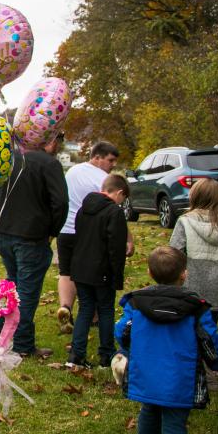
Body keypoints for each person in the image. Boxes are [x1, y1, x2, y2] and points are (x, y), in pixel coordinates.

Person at [114, 246, 218, 434]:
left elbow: (123, 331)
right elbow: (211, 340)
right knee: (175, 429)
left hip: (146, 373)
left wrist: (126, 349)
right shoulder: (196, 309)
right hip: (180, 379)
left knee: (149, 410)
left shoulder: (136, 303)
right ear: (184, 274)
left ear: (149, 272)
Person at [0, 134, 68, 358]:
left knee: (12, 281)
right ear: (48, 139)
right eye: (59, 138)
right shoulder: (49, 164)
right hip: (31, 236)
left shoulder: (7, 158)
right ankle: (22, 344)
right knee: (27, 292)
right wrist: (52, 231)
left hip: (4, 233)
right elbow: (60, 202)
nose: (59, 144)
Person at [55, 141, 132, 334]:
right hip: (89, 233)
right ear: (97, 157)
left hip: (66, 228)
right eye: (110, 160)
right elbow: (115, 212)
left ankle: (66, 307)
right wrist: (128, 239)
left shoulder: (72, 172)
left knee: (66, 272)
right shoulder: (104, 179)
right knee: (93, 272)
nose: (113, 164)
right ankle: (95, 315)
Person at [66, 174, 130, 368]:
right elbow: (115, 248)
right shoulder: (114, 213)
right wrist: (116, 275)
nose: (122, 203)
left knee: (85, 308)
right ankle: (106, 353)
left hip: (80, 267)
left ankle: (76, 354)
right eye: (123, 199)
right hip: (102, 269)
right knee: (105, 310)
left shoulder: (83, 210)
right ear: (119, 193)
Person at [169, 178, 218, 326]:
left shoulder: (185, 221)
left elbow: (173, 253)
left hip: (191, 286)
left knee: (189, 330)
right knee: (209, 329)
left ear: (194, 196)